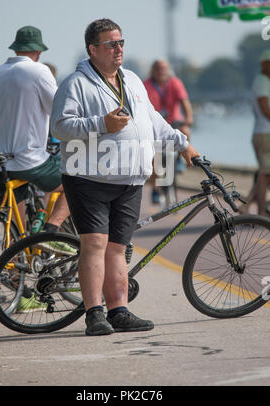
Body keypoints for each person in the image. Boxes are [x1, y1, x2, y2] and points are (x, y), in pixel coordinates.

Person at [50, 18, 200, 336]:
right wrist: (102, 124)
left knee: (117, 248)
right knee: (94, 244)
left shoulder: (131, 79)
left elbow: (153, 122)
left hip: (130, 180)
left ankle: (119, 311)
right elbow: (60, 127)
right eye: (110, 44)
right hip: (89, 178)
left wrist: (183, 144)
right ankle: (94, 314)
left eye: (121, 43)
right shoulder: (74, 83)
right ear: (92, 49)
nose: (118, 49)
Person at [0, 26, 70, 235]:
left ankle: (17, 259)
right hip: (28, 159)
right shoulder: (38, 71)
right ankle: (51, 231)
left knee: (15, 229)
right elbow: (59, 110)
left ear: (15, 49)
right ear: (39, 52)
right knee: (78, 177)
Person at [144, 59, 193, 204]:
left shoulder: (175, 83)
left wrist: (189, 118)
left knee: (186, 131)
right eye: (158, 69)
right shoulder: (146, 85)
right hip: (156, 126)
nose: (161, 72)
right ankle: (155, 188)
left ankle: (179, 160)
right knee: (154, 156)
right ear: (152, 71)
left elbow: (185, 103)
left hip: (174, 122)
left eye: (164, 69)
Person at [239, 50, 270, 216]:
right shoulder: (262, 81)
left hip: (264, 132)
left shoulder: (264, 81)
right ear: (264, 64)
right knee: (265, 174)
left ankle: (247, 205)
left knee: (265, 174)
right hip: (265, 133)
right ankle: (260, 210)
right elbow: (265, 108)